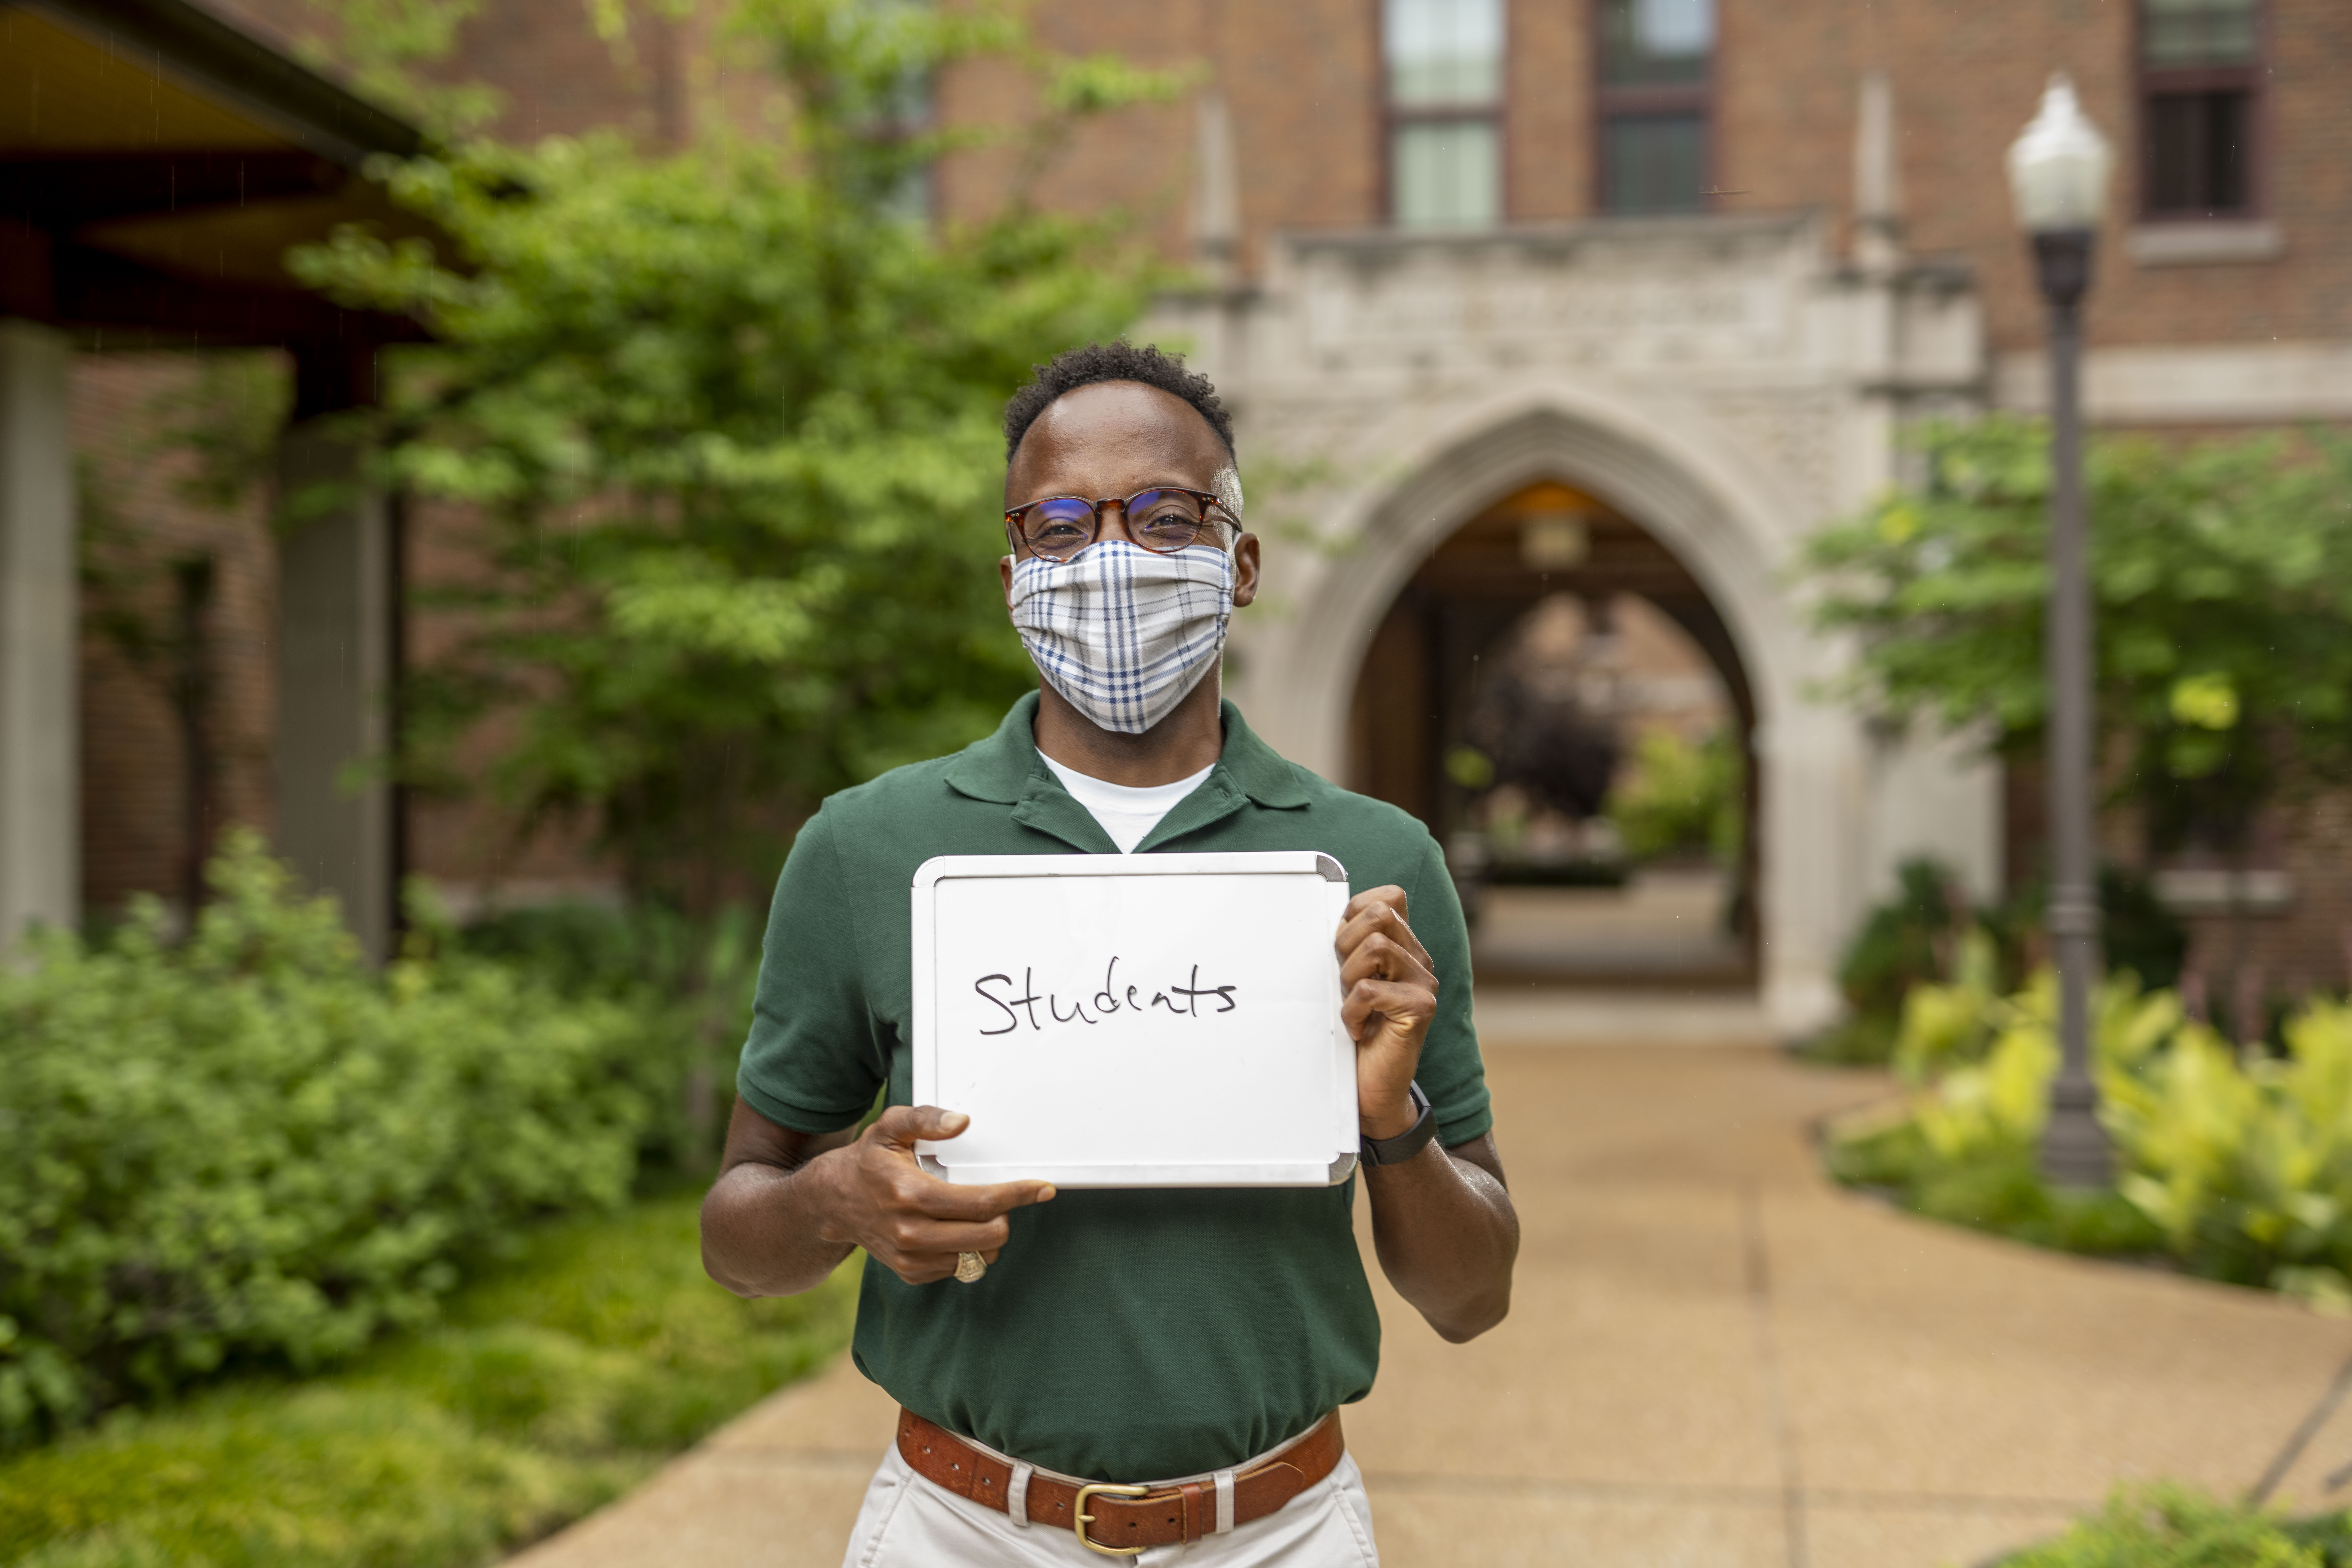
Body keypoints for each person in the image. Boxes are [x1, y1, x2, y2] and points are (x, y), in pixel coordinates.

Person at [701, 342, 1519, 1565]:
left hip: (1282, 1532)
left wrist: (1391, 1122)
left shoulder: (1367, 862)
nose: (1111, 560)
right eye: (1062, 527)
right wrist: (835, 1200)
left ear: (1240, 564)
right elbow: (735, 1235)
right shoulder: (868, 847)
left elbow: (1473, 1298)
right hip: (960, 1528)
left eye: (1167, 516)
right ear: (1014, 572)